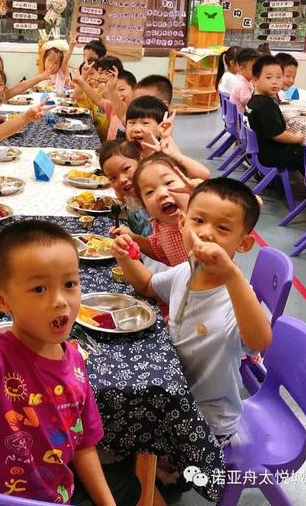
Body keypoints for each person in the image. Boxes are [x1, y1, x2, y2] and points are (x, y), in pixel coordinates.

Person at [0, 208, 140, 505]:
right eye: (39, 288)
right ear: (0, 300)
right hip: (0, 502)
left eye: (70, 284)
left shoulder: (75, 361)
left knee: (128, 487)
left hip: (57, 496)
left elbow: (82, 444)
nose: (60, 301)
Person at [112, 178, 272, 441]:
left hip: (207, 421)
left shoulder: (237, 296)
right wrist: (125, 257)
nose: (206, 233)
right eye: (198, 221)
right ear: (183, 223)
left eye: (222, 228)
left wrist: (232, 275)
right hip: (172, 395)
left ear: (243, 244)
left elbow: (259, 341)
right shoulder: (185, 271)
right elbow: (148, 285)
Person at [246, 55, 304, 173]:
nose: (275, 82)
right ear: (255, 80)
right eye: (268, 77)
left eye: (279, 77)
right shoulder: (266, 105)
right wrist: (297, 139)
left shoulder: (254, 100)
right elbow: (278, 135)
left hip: (257, 152)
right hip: (269, 157)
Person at [74, 67, 135, 140]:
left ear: (134, 89)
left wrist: (112, 90)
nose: (118, 94)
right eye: (114, 90)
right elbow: (99, 100)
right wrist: (82, 83)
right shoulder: (113, 108)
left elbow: (122, 113)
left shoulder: (135, 114)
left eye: (122, 89)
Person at [229, 48, 261, 115]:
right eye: (254, 69)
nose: (257, 72)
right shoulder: (242, 85)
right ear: (242, 69)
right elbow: (251, 105)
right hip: (241, 119)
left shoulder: (245, 81)